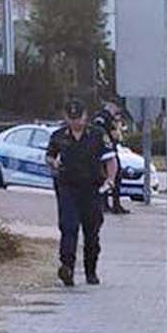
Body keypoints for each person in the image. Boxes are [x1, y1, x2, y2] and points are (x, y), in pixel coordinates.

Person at [44, 97, 118, 286]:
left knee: (91, 231)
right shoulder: (58, 136)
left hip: (92, 188)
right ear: (66, 117)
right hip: (67, 187)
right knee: (68, 227)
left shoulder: (98, 134)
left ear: (85, 116)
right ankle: (67, 267)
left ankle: (90, 271)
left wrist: (110, 180)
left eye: (78, 117)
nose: (75, 121)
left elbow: (111, 160)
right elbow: (49, 156)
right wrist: (53, 163)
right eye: (71, 118)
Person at [93, 101, 129, 214]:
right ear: (112, 106)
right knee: (115, 177)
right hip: (109, 151)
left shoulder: (97, 117)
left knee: (103, 177)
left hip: (98, 152)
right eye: (116, 108)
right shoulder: (108, 118)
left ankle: (104, 204)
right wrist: (119, 129)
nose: (117, 111)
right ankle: (115, 205)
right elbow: (116, 136)